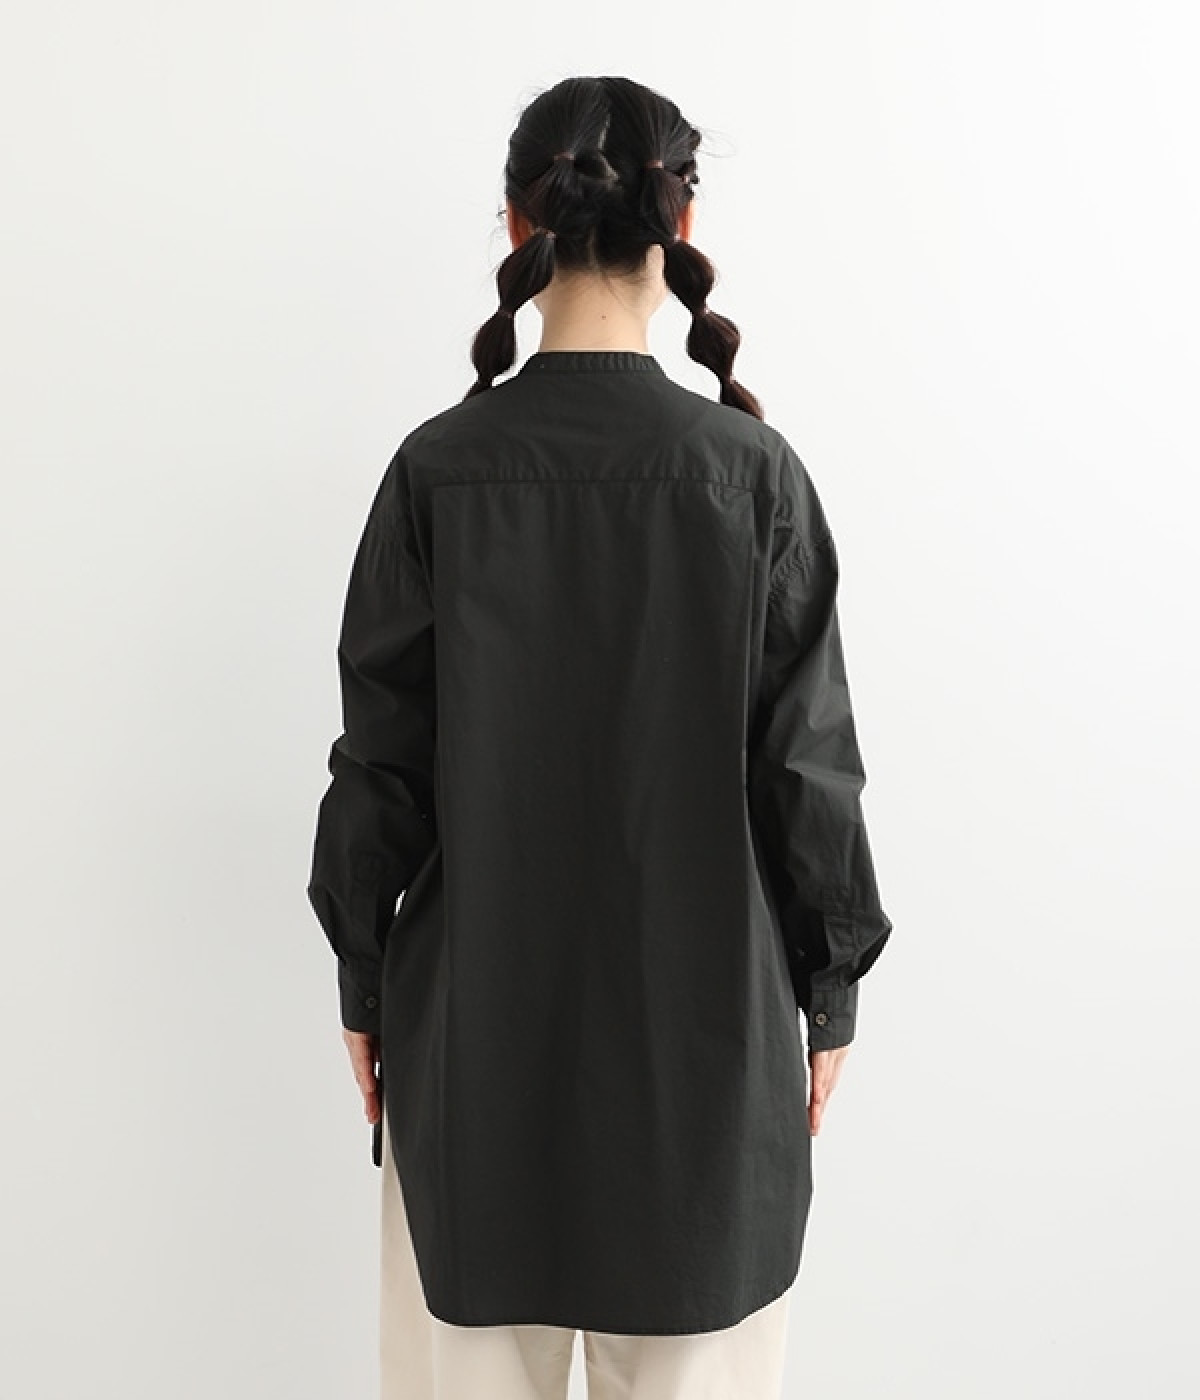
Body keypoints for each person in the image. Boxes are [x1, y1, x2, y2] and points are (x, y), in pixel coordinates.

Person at [306, 74, 893, 1400]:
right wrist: (832, 987)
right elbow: (809, 772)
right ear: (680, 226)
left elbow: (379, 767)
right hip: (708, 1078)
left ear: (519, 223)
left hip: (471, 1065)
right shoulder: (754, 478)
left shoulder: (435, 473)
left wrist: (362, 980)